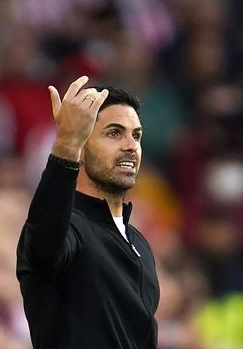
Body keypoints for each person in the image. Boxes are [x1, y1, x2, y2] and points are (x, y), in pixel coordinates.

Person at [16, 76, 159, 348]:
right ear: (82, 145)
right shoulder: (68, 228)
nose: (131, 145)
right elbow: (44, 249)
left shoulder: (139, 244)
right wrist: (66, 144)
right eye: (114, 133)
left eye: (136, 135)